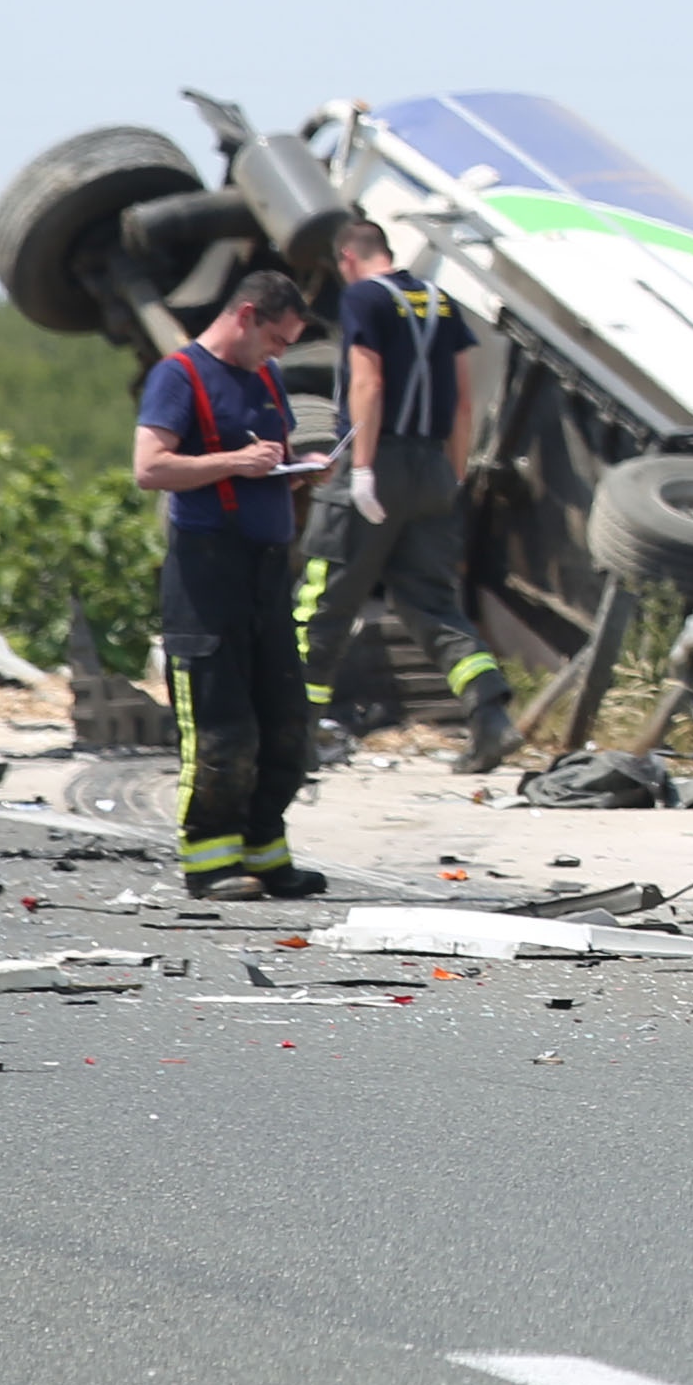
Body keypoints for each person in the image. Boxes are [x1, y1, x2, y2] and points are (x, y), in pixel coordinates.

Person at [133, 271, 329, 899]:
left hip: (267, 569)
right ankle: (209, 861)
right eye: (274, 337)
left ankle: (266, 852)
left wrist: (297, 474)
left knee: (285, 721)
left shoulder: (266, 377)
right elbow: (150, 466)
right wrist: (234, 464)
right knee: (222, 728)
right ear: (244, 316)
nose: (279, 352)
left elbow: (268, 460)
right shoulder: (180, 375)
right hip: (206, 572)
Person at [292, 221, 510, 769]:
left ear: (348, 257)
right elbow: (463, 401)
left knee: (323, 603)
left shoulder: (363, 297)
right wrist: (451, 476)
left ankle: (292, 730)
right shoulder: (440, 302)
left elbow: (368, 382)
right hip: (432, 466)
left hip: (376, 461)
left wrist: (362, 470)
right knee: (434, 605)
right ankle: (491, 715)